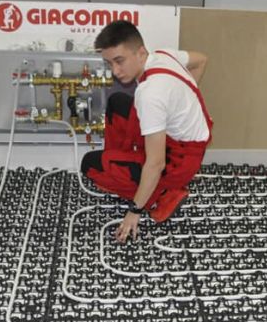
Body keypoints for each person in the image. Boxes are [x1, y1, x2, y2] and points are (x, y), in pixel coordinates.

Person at [81, 21, 212, 243]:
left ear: (141, 53)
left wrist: (134, 212)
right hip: (176, 141)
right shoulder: (164, 55)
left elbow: (156, 164)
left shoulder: (150, 94)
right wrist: (181, 101)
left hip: (177, 162)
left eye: (120, 61)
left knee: (90, 165)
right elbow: (201, 59)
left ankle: (163, 194)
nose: (115, 71)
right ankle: (123, 163)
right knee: (117, 102)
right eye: (109, 63)